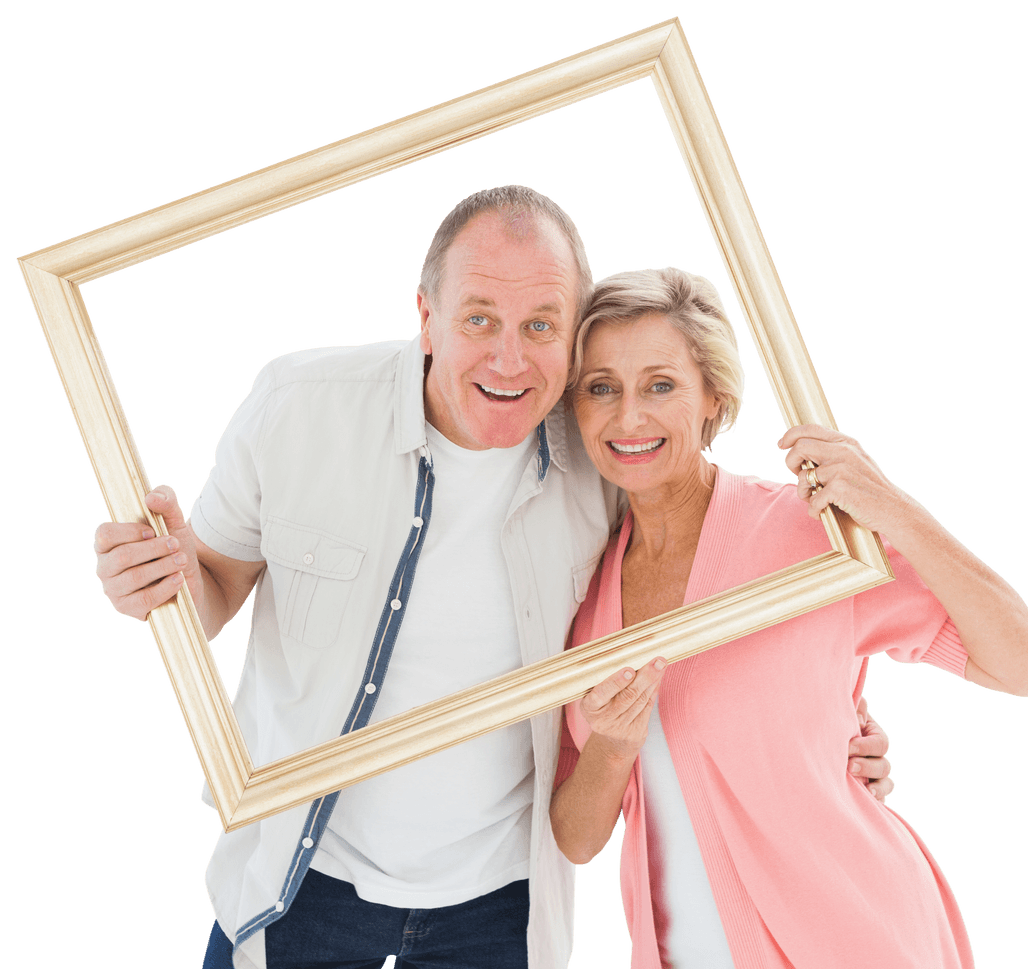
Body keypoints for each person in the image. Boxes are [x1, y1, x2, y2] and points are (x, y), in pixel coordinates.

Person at [92, 187, 895, 969]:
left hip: (499, 906)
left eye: (541, 325)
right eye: (479, 319)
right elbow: (217, 583)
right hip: (300, 878)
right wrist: (164, 584)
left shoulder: (606, 452)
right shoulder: (299, 406)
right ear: (426, 316)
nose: (509, 359)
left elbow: (710, 562)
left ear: (573, 336)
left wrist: (831, 723)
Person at [551, 266, 1028, 969]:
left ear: (713, 396)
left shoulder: (808, 534)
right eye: (601, 387)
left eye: (661, 385)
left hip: (863, 942)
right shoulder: (584, 597)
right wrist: (612, 747)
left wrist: (890, 506)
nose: (629, 417)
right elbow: (577, 839)